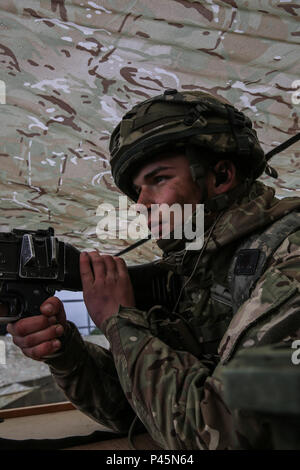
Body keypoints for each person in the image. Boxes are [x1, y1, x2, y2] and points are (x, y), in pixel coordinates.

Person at [4, 90, 300, 450]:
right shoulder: (197, 271)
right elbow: (139, 411)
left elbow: (224, 435)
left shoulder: (288, 260)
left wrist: (119, 319)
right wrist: (67, 353)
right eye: (137, 191)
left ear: (221, 176)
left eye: (158, 179)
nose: (142, 203)